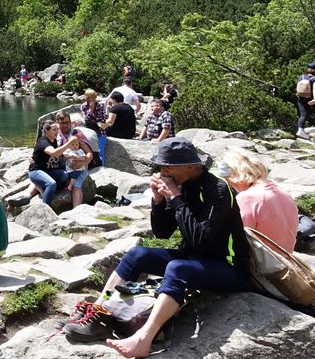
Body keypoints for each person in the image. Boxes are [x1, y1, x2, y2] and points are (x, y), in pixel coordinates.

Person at [63, 138, 251, 356]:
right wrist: (159, 200)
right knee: (137, 254)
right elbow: (163, 233)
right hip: (195, 259)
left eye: (168, 166)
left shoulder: (217, 190)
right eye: (160, 166)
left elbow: (201, 238)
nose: (163, 171)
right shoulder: (182, 186)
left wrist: (176, 198)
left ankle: (144, 338)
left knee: (177, 268)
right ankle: (98, 314)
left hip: (229, 267)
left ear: (191, 166)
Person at [217, 147, 299, 251]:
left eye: (227, 178)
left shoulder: (247, 198)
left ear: (234, 174)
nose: (229, 184)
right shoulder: (281, 191)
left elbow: (238, 239)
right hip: (285, 259)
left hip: (264, 264)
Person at [28, 121, 80, 205]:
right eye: (54, 129)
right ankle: (45, 206)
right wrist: (69, 143)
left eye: (57, 129)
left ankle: (44, 189)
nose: (57, 131)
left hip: (49, 171)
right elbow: (55, 153)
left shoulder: (53, 141)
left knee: (65, 175)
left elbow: (59, 154)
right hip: (36, 171)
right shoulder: (43, 142)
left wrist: (70, 156)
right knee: (51, 184)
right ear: (46, 131)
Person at [295, 61, 315, 138]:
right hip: (312, 99)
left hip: (301, 98)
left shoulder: (301, 77)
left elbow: (298, 88)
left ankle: (300, 130)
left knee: (303, 115)